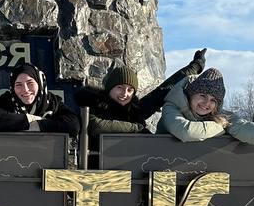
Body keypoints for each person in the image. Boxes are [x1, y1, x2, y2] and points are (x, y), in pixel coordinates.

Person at [159, 68, 254, 148]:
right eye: (202, 96)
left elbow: (246, 128)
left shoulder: (220, 115)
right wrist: (220, 127)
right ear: (191, 94)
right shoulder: (172, 107)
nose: (207, 103)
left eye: (213, 100)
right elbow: (186, 131)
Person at [74, 49, 207, 140]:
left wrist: (195, 67)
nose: (124, 94)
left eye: (130, 90)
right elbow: (95, 126)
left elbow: (165, 88)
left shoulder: (135, 110)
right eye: (120, 88)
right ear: (109, 88)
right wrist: (135, 128)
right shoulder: (93, 103)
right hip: (98, 171)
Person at [0, 61, 81, 135]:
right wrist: (31, 119)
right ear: (13, 87)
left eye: (30, 83)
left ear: (39, 84)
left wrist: (38, 125)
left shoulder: (51, 102)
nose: (25, 89)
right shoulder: (7, 100)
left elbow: (73, 125)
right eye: (18, 85)